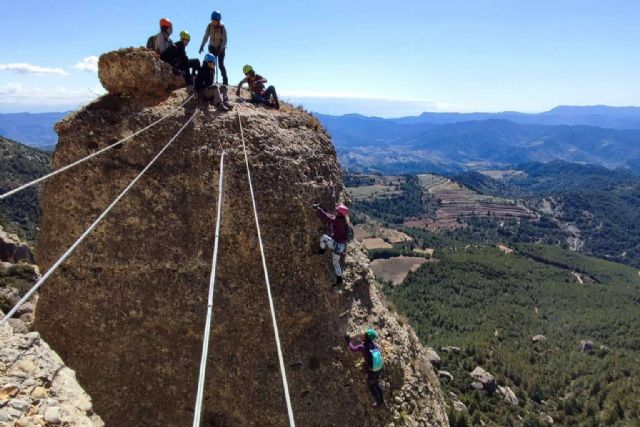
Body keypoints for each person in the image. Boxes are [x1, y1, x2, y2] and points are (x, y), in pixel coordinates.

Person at [346, 329, 385, 407]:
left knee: (371, 385)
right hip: (379, 368)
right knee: (376, 384)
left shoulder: (363, 346)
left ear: (366, 337)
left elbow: (352, 348)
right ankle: (382, 400)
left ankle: (378, 403)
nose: (362, 334)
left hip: (373, 370)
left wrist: (348, 341)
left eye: (365, 334)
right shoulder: (374, 345)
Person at [313, 203, 349, 286]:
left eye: (337, 211)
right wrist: (323, 210)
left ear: (340, 213)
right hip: (341, 246)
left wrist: (318, 209)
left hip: (337, 245)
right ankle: (339, 280)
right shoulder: (344, 221)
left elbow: (327, 218)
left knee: (324, 237)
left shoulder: (338, 221)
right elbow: (331, 217)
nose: (336, 211)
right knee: (336, 263)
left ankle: (321, 252)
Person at [198, 10, 228, 85]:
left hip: (220, 48)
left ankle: (225, 82)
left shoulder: (222, 27)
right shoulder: (209, 26)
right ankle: (210, 80)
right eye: (212, 19)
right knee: (210, 63)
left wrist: (220, 48)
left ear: (218, 20)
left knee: (221, 65)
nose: (213, 21)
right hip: (212, 47)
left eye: (214, 20)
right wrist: (202, 45)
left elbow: (225, 40)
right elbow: (206, 36)